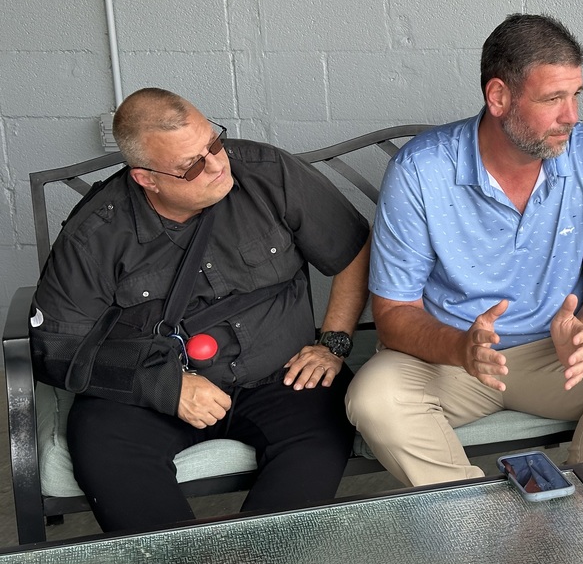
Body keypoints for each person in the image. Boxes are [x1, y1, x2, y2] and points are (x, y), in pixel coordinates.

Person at [345, 13, 583, 495]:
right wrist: (461, 348)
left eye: (576, 95)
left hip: (555, 356)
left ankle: (574, 524)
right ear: (499, 97)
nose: (572, 116)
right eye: (552, 99)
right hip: (449, 359)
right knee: (376, 397)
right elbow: (395, 312)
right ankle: (482, 531)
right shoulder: (421, 169)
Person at [31, 87, 370, 533]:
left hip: (283, 376)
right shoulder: (95, 232)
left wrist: (334, 341)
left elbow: (352, 246)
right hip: (150, 392)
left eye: (214, 143)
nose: (216, 164)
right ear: (146, 178)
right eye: (191, 164)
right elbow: (55, 348)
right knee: (102, 444)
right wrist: (167, 386)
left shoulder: (268, 173)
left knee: (320, 436)